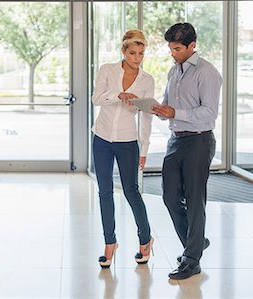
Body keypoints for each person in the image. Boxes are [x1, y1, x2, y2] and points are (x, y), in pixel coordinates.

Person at [152, 22, 222, 280]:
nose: (173, 53)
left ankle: (192, 260)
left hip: (199, 141)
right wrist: (160, 110)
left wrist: (175, 112)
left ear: (193, 45)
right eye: (171, 49)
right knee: (170, 196)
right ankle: (196, 242)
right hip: (176, 140)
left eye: (177, 49)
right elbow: (169, 105)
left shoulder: (208, 73)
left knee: (194, 200)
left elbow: (209, 113)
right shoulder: (174, 71)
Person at [92, 29, 155, 268]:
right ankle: (110, 244)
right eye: (132, 53)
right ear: (123, 51)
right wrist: (119, 95)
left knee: (132, 192)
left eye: (141, 53)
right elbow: (96, 98)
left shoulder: (147, 80)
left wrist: (144, 149)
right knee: (104, 192)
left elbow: (147, 116)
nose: (137, 58)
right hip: (102, 138)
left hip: (128, 142)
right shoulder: (107, 70)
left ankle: (145, 240)